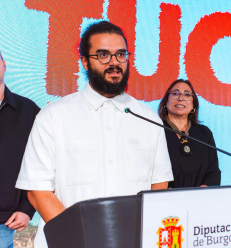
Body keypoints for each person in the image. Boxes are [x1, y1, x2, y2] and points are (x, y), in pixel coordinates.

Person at [16, 21, 173, 247]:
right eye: (103, 55)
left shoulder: (148, 118)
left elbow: (159, 184)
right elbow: (37, 191)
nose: (114, 63)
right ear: (85, 62)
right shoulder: (53, 116)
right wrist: (80, 239)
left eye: (121, 54)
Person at [0, 50, 39, 248]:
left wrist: (27, 208)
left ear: (4, 65)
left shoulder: (28, 110)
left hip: (3, 224)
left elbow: (42, 163)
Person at [158, 79, 221, 188]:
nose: (180, 98)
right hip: (164, 199)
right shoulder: (156, 130)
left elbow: (213, 172)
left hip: (201, 200)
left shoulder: (204, 133)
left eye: (187, 95)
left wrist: (199, 196)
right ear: (166, 102)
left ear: (193, 105)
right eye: (175, 93)